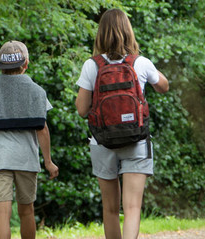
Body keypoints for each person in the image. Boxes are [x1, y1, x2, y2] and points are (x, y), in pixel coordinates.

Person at [74, 9, 170, 239]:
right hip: (136, 139)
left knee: (110, 209)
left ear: (101, 34)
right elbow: (164, 86)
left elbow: (81, 109)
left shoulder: (92, 65)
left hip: (102, 141)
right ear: (129, 32)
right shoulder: (141, 63)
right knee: (132, 208)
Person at [0, 40, 60, 239]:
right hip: (26, 160)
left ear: (1, 66)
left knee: (2, 212)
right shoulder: (37, 91)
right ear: (26, 64)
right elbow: (42, 129)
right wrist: (48, 161)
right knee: (26, 210)